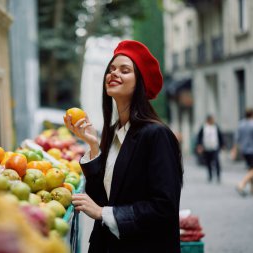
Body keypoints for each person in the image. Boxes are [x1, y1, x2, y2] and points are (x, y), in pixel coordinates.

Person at [64, 40, 183, 253]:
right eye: (111, 69)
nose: (113, 74)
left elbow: (164, 207)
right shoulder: (113, 132)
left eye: (124, 70)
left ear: (140, 83)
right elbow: (102, 199)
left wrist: (103, 214)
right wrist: (92, 144)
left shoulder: (156, 135)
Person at [231, 108, 253, 196]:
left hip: (244, 151)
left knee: (251, 168)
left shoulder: (241, 124)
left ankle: (252, 188)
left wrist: (234, 149)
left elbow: (236, 138)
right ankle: (241, 184)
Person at [196, 115, 224, 183]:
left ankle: (218, 176)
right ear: (208, 120)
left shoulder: (216, 127)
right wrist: (199, 145)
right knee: (208, 162)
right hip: (206, 148)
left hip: (215, 147)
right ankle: (210, 176)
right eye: (211, 120)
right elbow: (199, 137)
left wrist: (222, 144)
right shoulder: (203, 127)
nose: (212, 121)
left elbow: (220, 136)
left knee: (217, 162)